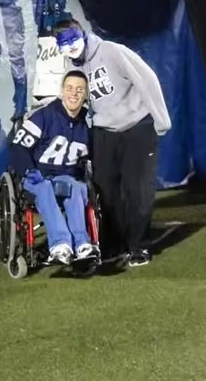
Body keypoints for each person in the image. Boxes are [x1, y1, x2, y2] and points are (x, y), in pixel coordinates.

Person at [53, 18, 172, 267]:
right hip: (104, 132)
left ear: (82, 34)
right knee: (105, 193)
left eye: (73, 39)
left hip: (137, 127)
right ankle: (114, 246)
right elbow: (73, 102)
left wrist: (161, 120)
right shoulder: (72, 68)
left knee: (137, 190)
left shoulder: (112, 51)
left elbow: (147, 79)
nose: (70, 46)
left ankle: (138, 247)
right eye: (64, 43)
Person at [7, 70, 99, 265]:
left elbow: (91, 159)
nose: (74, 93)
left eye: (80, 90)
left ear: (85, 95)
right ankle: (60, 245)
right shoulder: (44, 116)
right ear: (62, 91)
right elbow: (18, 147)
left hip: (64, 179)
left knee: (75, 186)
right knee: (46, 187)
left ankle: (82, 244)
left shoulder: (87, 125)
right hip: (37, 177)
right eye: (70, 88)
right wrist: (29, 171)